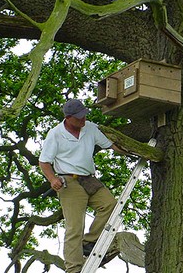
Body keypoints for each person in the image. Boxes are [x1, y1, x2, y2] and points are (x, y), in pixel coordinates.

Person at [39, 99, 124, 273]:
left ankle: (89, 242)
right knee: (74, 227)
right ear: (68, 117)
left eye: (84, 115)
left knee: (110, 205)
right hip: (68, 182)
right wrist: (52, 179)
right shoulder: (55, 134)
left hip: (89, 179)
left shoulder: (90, 128)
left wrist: (136, 151)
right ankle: (74, 269)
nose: (83, 120)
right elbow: (44, 162)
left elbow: (111, 145)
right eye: (79, 118)